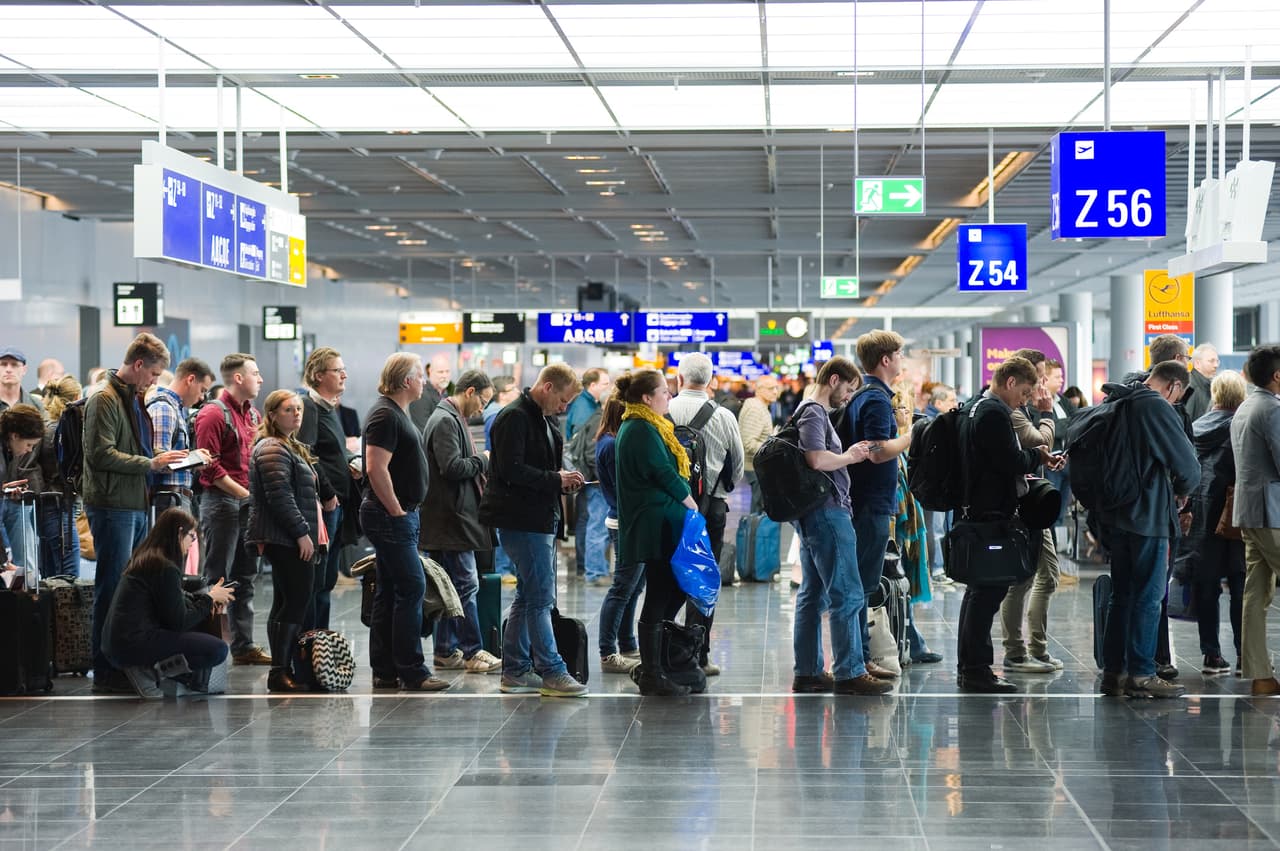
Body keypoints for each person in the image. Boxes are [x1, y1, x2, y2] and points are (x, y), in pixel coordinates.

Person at [82, 333, 188, 693]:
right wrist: (151, 462)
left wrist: (158, 460)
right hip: (113, 505)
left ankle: (124, 662)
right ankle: (106, 666)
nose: (155, 381)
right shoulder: (104, 399)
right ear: (138, 365)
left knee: (132, 589)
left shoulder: (132, 398)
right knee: (111, 588)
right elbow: (100, 454)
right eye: (154, 374)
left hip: (134, 502)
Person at [955, 357, 1064, 694]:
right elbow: (1010, 460)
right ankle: (976, 669)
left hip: (980, 510)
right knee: (987, 593)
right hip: (991, 512)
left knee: (980, 593)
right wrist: (1038, 457)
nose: (1026, 401)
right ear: (1011, 381)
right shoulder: (993, 413)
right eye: (1026, 392)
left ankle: (973, 667)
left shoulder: (977, 408)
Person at [480, 364, 587, 698]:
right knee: (541, 597)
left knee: (528, 595)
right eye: (564, 399)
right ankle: (553, 671)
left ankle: (514, 670)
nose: (564, 407)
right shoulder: (514, 417)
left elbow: (537, 467)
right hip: (521, 519)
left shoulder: (541, 418)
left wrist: (560, 480)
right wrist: (556, 479)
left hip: (537, 516)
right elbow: (511, 470)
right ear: (548, 386)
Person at [1098, 361, 1200, 699]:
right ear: (1172, 386)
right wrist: (1183, 493)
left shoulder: (1118, 400)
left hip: (1117, 514)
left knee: (1121, 594)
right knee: (1149, 595)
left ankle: (1114, 672)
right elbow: (1187, 465)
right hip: (1150, 515)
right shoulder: (1155, 405)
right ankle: (1142, 672)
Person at [790, 356, 890, 696]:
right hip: (828, 513)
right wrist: (851, 456)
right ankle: (849, 671)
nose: (848, 397)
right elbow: (816, 459)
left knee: (813, 594)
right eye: (847, 389)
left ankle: (808, 672)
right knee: (846, 593)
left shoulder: (808, 411)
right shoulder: (814, 412)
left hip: (815, 515)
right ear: (834, 380)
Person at [612, 369, 701, 696]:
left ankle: (660, 661)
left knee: (672, 589)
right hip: (654, 526)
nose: (670, 396)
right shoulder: (639, 428)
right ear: (647, 398)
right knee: (661, 592)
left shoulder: (646, 425)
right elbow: (661, 472)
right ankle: (652, 672)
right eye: (664, 391)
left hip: (660, 523)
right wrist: (688, 499)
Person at [362, 353, 447, 692]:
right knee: (412, 588)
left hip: (397, 515)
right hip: (389, 516)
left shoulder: (396, 412)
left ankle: (385, 670)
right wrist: (396, 509)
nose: (424, 381)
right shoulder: (385, 414)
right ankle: (412, 671)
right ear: (405, 380)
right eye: (419, 376)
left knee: (391, 590)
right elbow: (375, 468)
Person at [837, 330, 910, 683]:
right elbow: (879, 451)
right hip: (870, 504)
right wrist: (911, 436)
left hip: (860, 500)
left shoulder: (861, 394)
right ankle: (857, 662)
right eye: (899, 354)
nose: (902, 360)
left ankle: (859, 658)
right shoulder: (878, 399)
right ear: (886, 359)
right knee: (862, 585)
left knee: (859, 584)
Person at [102, 508, 235, 698]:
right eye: (191, 536)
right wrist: (209, 599)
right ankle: (149, 673)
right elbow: (178, 621)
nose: (192, 543)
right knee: (217, 650)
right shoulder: (164, 567)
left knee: (201, 631)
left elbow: (171, 603)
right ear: (179, 533)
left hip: (120, 642)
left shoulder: (149, 558)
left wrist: (205, 600)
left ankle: (155, 673)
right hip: (132, 644)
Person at [421, 369, 502, 675]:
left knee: (448, 587)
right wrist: (484, 458)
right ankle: (472, 651)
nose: (483, 408)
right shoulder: (444, 420)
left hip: (450, 517)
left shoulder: (452, 418)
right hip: (451, 519)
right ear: (469, 392)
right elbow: (452, 467)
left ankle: (444, 650)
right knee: (466, 585)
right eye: (482, 401)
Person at [248, 390, 327, 693]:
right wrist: (301, 534)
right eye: (287, 409)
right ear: (271, 415)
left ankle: (282, 669)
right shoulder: (272, 447)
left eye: (298, 409)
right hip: (284, 538)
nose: (296, 413)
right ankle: (279, 672)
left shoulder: (287, 446)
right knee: (295, 601)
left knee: (286, 602)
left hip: (288, 536)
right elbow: (280, 497)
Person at [669, 352, 744, 676]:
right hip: (711, 507)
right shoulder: (724, 416)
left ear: (678, 379)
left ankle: (665, 649)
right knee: (703, 579)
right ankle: (698, 655)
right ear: (711, 381)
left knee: (665, 577)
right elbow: (737, 466)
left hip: (670, 507)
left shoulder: (665, 411)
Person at [195, 353, 268, 666]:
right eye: (255, 373)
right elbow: (207, 468)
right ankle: (208, 645)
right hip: (222, 505)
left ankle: (243, 645)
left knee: (245, 576)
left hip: (245, 504)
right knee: (216, 578)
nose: (260, 379)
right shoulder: (213, 414)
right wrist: (246, 495)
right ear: (238, 378)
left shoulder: (252, 415)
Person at [1175, 370, 1247, 676]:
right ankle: (1246, 654)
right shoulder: (1240, 427)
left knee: (1207, 586)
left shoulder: (1195, 428)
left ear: (1215, 394)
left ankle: (1211, 653)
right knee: (1241, 587)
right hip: (1235, 516)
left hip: (1203, 518)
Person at [999, 348, 1064, 674]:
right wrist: (1047, 414)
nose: (1039, 388)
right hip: (1020, 505)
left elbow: (1039, 450)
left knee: (1047, 576)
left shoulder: (1017, 408)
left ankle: (1034, 648)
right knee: (1022, 579)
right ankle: (1017, 652)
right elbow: (1040, 441)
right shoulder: (1013, 411)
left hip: (1033, 499)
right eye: (1033, 381)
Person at [1230, 345, 1280, 696]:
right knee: (1255, 593)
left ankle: (1260, 674)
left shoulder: (1246, 406)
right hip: (1273, 512)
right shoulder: (1272, 409)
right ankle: (1260, 674)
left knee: (1255, 593)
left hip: (1249, 511)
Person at [298, 347, 356, 631]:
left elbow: (332, 453)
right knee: (317, 580)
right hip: (323, 507)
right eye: (337, 370)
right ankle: (310, 643)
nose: (344, 374)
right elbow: (306, 455)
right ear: (320, 376)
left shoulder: (327, 408)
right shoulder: (309, 407)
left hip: (337, 504)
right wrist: (329, 494)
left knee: (327, 580)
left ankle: (321, 640)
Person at [890, 388, 942, 665]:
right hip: (899, 519)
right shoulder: (893, 442)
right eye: (897, 409)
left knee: (904, 578)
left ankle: (910, 640)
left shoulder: (913, 440)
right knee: (898, 579)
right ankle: (909, 641)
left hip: (913, 513)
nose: (902, 414)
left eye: (906, 409)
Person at [594, 393, 643, 674]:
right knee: (622, 587)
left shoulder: (609, 441)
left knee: (632, 587)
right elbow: (625, 488)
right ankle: (607, 651)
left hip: (625, 520)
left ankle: (626, 643)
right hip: (624, 522)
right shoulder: (612, 445)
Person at [147, 358, 215, 515]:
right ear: (190, 379)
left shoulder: (176, 408)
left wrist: (194, 460)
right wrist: (193, 458)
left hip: (175, 498)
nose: (202, 398)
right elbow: (159, 463)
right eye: (203, 390)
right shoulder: (164, 408)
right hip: (168, 499)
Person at [565, 367, 612, 585]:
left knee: (587, 521)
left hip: (588, 476)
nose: (607, 386)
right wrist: (601, 475)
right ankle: (594, 570)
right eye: (605, 383)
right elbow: (590, 450)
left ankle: (588, 567)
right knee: (596, 524)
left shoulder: (589, 408)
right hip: (594, 479)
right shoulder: (589, 412)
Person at [33, 376, 83, 576]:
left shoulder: (47, 427)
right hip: (61, 504)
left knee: (52, 570)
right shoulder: (64, 430)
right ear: (77, 397)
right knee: (68, 572)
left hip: (50, 502)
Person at [483, 374, 521, 584]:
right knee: (501, 523)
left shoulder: (498, 413)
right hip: (499, 476)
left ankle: (506, 567)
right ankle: (503, 568)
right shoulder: (496, 416)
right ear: (502, 395)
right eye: (512, 389)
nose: (517, 392)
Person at [0, 404, 45, 571]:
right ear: (14, 436)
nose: (29, 450)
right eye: (28, 445)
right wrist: (3, 563)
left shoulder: (6, 452)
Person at [1043, 359, 1076, 549]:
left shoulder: (1062, 401)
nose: (1061, 380)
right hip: (1049, 466)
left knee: (1061, 515)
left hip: (1067, 465)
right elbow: (1047, 429)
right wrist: (1065, 426)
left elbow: (1078, 420)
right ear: (1045, 379)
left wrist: (1061, 426)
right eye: (1057, 377)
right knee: (1049, 515)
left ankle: (1060, 557)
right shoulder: (1036, 402)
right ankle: (1048, 555)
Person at [738, 374, 780, 515]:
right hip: (755, 468)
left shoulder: (761, 407)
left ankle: (756, 536)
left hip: (759, 466)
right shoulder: (755, 409)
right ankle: (756, 537)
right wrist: (772, 449)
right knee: (759, 512)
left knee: (759, 511)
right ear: (759, 390)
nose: (775, 392)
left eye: (776, 388)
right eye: (771, 388)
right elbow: (748, 443)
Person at [407, 353, 451, 432]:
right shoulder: (421, 394)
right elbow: (424, 430)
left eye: (447, 371)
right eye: (440, 372)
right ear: (430, 372)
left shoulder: (445, 393)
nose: (445, 375)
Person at [0, 347, 45, 414]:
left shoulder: (37, 405)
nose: (8, 369)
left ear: (24, 370)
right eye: (3, 364)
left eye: (14, 365)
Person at [1185, 343, 1220, 424]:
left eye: (1217, 361)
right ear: (1197, 364)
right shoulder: (1190, 387)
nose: (1216, 365)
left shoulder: (1210, 386)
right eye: (1211, 361)